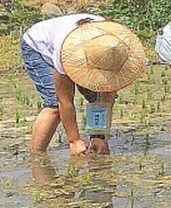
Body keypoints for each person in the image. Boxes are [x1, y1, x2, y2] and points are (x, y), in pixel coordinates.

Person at [21, 14, 146, 156]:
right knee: (54, 105)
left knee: (97, 95)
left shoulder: (114, 48)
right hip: (37, 46)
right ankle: (36, 158)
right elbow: (65, 101)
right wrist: (74, 140)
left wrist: (99, 136)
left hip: (91, 49)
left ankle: (95, 143)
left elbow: (106, 97)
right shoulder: (65, 51)